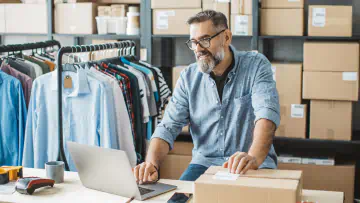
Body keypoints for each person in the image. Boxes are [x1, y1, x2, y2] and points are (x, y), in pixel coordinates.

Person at [133, 10, 280, 183]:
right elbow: (168, 126)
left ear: (226, 37)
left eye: (204, 40)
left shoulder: (256, 65)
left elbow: (266, 115)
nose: (198, 49)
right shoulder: (188, 77)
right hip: (204, 165)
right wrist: (151, 164)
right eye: (193, 42)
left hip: (250, 163)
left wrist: (254, 157)